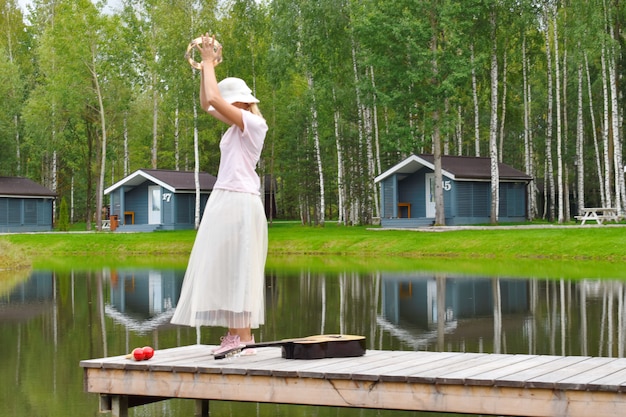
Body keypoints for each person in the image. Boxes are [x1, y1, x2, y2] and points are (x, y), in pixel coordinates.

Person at [171, 34, 268, 356]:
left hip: (240, 201)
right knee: (227, 266)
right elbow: (206, 101)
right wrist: (204, 68)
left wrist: (209, 61)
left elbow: (213, 98)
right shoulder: (234, 126)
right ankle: (237, 335)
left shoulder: (254, 124)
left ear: (240, 101)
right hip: (226, 199)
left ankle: (244, 339)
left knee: (238, 266)